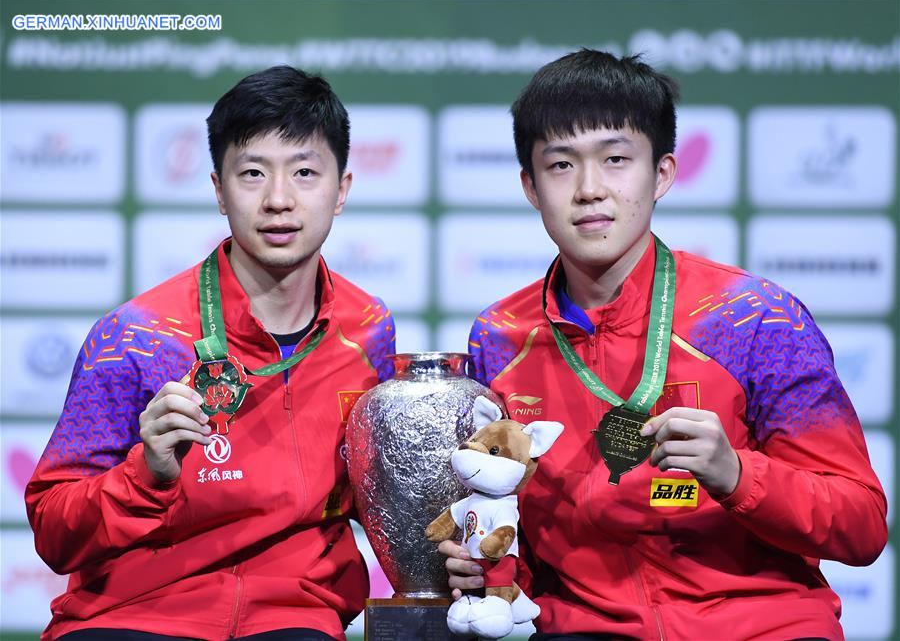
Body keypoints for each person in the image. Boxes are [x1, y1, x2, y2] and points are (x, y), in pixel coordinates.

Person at [440, 49, 888, 640]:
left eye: (617, 159)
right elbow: (515, 523)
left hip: (763, 626)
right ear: (530, 186)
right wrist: (487, 564)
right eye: (561, 165)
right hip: (587, 629)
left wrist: (737, 476)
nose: (590, 189)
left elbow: (860, 526)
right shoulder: (501, 338)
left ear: (664, 174)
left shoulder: (754, 319)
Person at [26, 66, 396, 641]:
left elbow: (376, 493)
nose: (279, 200)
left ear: (342, 189)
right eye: (252, 174)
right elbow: (53, 532)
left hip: (293, 617)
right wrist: (146, 474)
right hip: (134, 613)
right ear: (220, 191)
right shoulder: (135, 336)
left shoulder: (367, 329)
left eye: (304, 172)